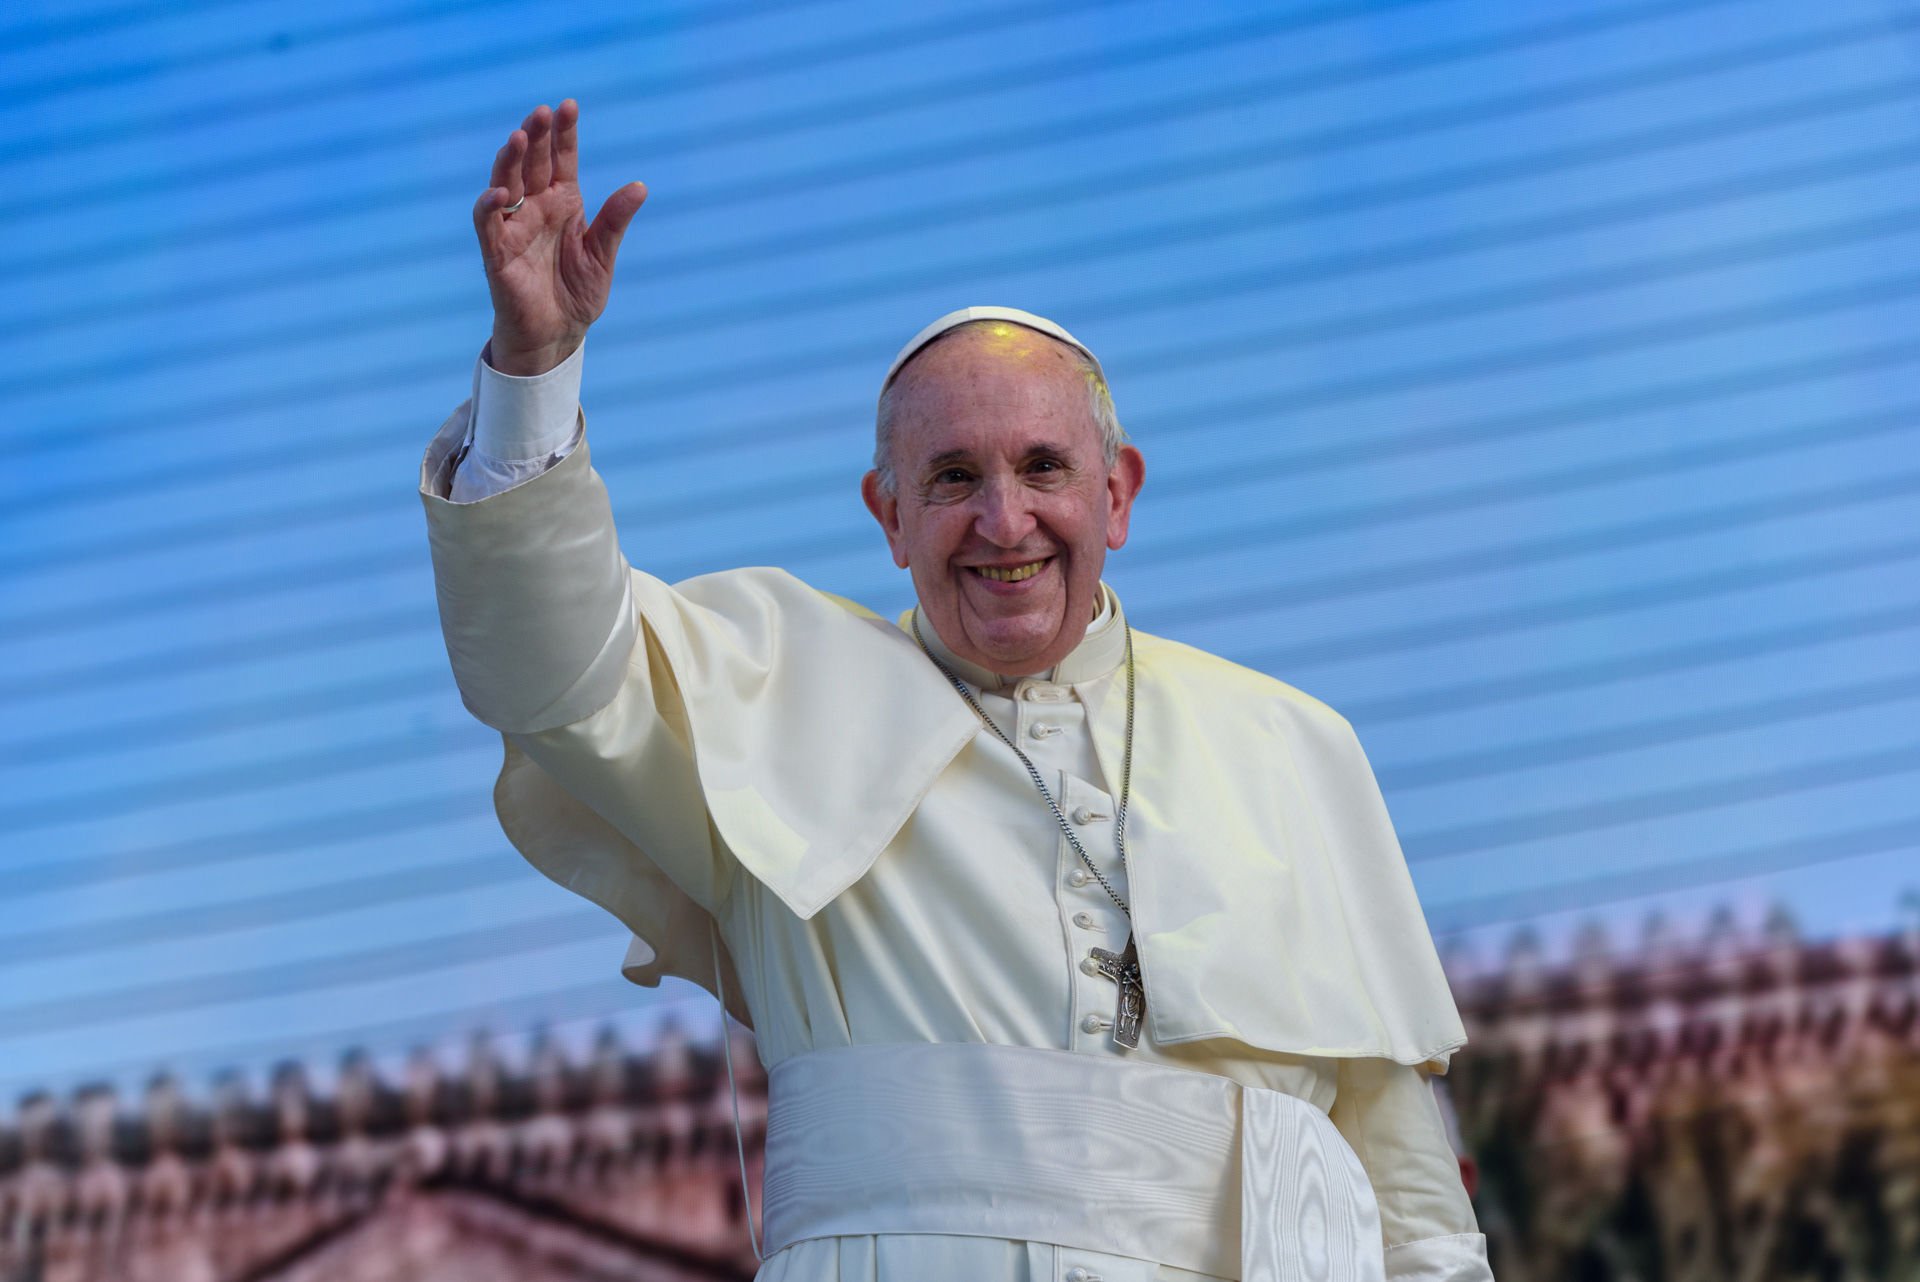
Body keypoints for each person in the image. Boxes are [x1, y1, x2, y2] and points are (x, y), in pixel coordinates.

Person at [421, 100, 1492, 1282]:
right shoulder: (777, 691)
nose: (1003, 520)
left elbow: (1414, 1210)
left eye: (1044, 468)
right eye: (951, 478)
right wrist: (534, 370)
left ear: (1117, 495)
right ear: (889, 516)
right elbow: (553, 665)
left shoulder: (1292, 746)